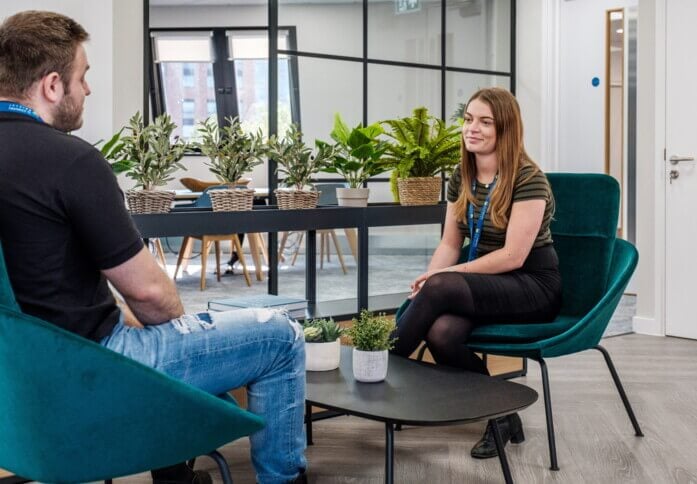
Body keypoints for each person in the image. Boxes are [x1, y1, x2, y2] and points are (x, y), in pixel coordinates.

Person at [0, 11, 306, 484]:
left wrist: (119, 310)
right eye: (84, 77)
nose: (88, 90)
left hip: (20, 386)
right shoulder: (71, 161)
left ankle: (174, 469)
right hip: (94, 368)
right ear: (53, 85)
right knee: (281, 337)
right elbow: (154, 297)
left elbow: (39, 284)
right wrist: (172, 324)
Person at [391, 87, 562, 459]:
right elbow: (450, 244)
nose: (472, 128)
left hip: (531, 284)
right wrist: (430, 281)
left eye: (485, 121)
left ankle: (381, 367)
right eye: (469, 119)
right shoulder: (462, 175)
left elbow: (514, 256)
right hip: (486, 282)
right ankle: (500, 415)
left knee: (438, 288)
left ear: (506, 128)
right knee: (442, 332)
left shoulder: (529, 178)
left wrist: (442, 279)